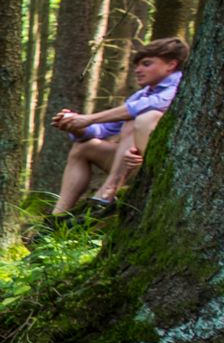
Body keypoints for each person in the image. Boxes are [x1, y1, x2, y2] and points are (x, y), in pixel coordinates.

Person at [48, 37, 187, 218]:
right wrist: (74, 125)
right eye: (137, 65)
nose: (138, 70)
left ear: (171, 65)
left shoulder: (181, 84)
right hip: (131, 162)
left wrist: (88, 119)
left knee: (143, 118)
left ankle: (106, 196)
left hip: (168, 165)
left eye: (146, 64)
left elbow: (147, 107)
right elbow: (104, 130)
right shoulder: (142, 94)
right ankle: (57, 217)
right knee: (84, 147)